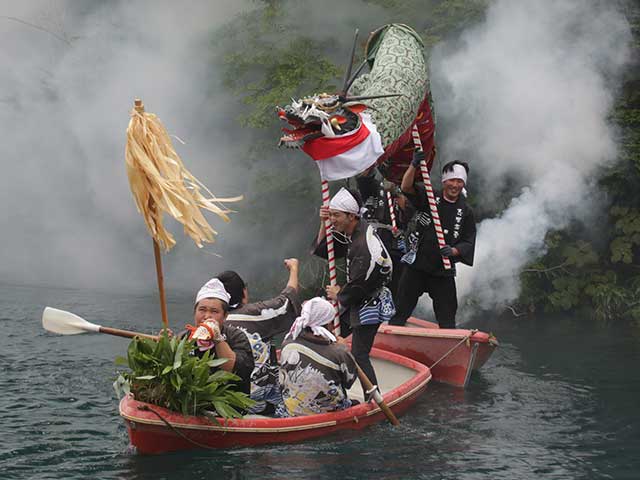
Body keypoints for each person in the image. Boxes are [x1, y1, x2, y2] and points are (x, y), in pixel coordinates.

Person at [312, 187, 394, 389]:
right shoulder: (352, 231)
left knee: (359, 353)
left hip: (368, 302)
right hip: (356, 298)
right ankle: (327, 383)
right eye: (331, 215)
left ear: (351, 216)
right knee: (325, 333)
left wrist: (340, 294)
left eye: (336, 215)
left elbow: (362, 282)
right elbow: (323, 249)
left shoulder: (364, 244)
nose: (333, 219)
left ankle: (373, 399)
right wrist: (324, 222)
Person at [389, 150, 476, 328]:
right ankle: (393, 334)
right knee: (401, 308)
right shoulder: (430, 196)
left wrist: (454, 251)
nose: (455, 185)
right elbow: (406, 187)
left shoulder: (466, 211)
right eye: (452, 180)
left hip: (443, 270)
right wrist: (414, 164)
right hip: (417, 265)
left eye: (459, 181)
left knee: (447, 316)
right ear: (444, 181)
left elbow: (468, 240)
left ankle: (448, 344)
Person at [217, 259, 302, 415]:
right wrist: (294, 269)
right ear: (243, 292)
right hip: (257, 396)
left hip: (219, 396)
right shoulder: (256, 315)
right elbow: (287, 300)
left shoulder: (210, 320)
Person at [279, 297, 358, 416]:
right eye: (331, 321)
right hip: (325, 412)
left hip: (291, 411)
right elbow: (349, 382)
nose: (332, 325)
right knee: (355, 403)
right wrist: (345, 349)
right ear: (326, 324)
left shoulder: (287, 343)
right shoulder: (339, 352)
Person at [187, 278, 255, 394]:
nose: (207, 316)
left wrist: (217, 338)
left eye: (214, 311)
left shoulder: (237, 337)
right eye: (202, 310)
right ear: (195, 312)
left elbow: (234, 371)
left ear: (225, 316)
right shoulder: (185, 339)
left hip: (230, 407)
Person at [356, 167, 414, 298]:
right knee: (369, 281)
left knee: (395, 286)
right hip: (373, 241)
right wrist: (373, 160)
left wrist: (396, 192)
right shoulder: (373, 186)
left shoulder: (405, 188)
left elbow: (410, 213)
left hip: (396, 243)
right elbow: (362, 179)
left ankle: (392, 312)